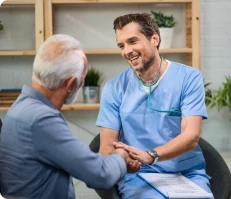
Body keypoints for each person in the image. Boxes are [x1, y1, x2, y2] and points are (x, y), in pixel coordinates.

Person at [0, 34, 140, 199]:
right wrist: (121, 156)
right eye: (82, 80)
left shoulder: (21, 106)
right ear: (70, 84)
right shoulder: (41, 119)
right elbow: (100, 175)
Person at [96, 13, 213, 199]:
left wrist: (151, 155)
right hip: (138, 175)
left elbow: (191, 136)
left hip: (185, 173)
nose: (127, 51)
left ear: (154, 39)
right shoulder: (114, 88)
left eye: (133, 41)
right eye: (121, 45)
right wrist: (123, 159)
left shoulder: (189, 78)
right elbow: (106, 150)